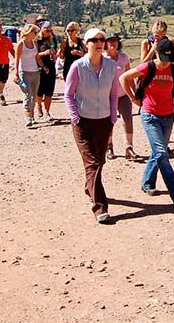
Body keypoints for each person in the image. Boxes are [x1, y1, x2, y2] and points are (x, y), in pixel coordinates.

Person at [120, 38, 174, 205]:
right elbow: (124, 78)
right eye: (163, 59)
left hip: (168, 117)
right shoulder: (148, 67)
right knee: (161, 153)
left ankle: (147, 182)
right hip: (150, 116)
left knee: (157, 152)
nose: (165, 63)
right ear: (157, 54)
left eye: (168, 60)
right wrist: (133, 99)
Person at [64, 28, 118, 224]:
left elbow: (113, 94)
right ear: (86, 43)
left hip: (104, 120)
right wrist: (75, 117)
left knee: (100, 162)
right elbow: (68, 94)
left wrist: (113, 117)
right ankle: (100, 207)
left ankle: (90, 187)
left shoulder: (111, 67)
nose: (98, 43)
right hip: (83, 121)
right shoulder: (78, 66)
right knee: (93, 163)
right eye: (94, 40)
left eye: (101, 39)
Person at [103, 33, 138, 160]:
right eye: (110, 41)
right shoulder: (102, 58)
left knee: (128, 120)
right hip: (108, 96)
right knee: (109, 122)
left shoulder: (124, 57)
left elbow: (129, 77)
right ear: (106, 43)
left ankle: (129, 147)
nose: (113, 43)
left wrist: (135, 93)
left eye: (115, 41)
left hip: (123, 95)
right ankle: (109, 147)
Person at [14, 24, 44, 127]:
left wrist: (43, 67)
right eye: (33, 32)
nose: (35, 34)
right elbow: (17, 59)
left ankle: (31, 116)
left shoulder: (34, 43)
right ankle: (28, 117)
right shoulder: (21, 44)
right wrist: (16, 73)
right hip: (25, 72)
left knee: (34, 95)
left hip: (35, 71)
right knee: (28, 93)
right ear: (28, 32)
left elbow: (36, 57)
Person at [35, 21, 58, 122]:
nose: (49, 31)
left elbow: (55, 51)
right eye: (47, 29)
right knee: (39, 91)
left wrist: (54, 54)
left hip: (51, 66)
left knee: (49, 92)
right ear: (41, 29)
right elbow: (34, 55)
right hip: (39, 67)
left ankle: (47, 112)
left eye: (50, 30)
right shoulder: (37, 40)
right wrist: (44, 53)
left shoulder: (52, 40)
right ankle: (39, 105)